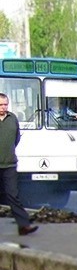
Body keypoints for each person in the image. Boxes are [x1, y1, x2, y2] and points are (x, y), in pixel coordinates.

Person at [0, 93, 38, 236]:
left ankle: (23, 226)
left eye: (5, 104)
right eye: (0, 105)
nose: (3, 107)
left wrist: (8, 152)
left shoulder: (12, 119)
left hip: (9, 164)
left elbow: (16, 139)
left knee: (13, 196)